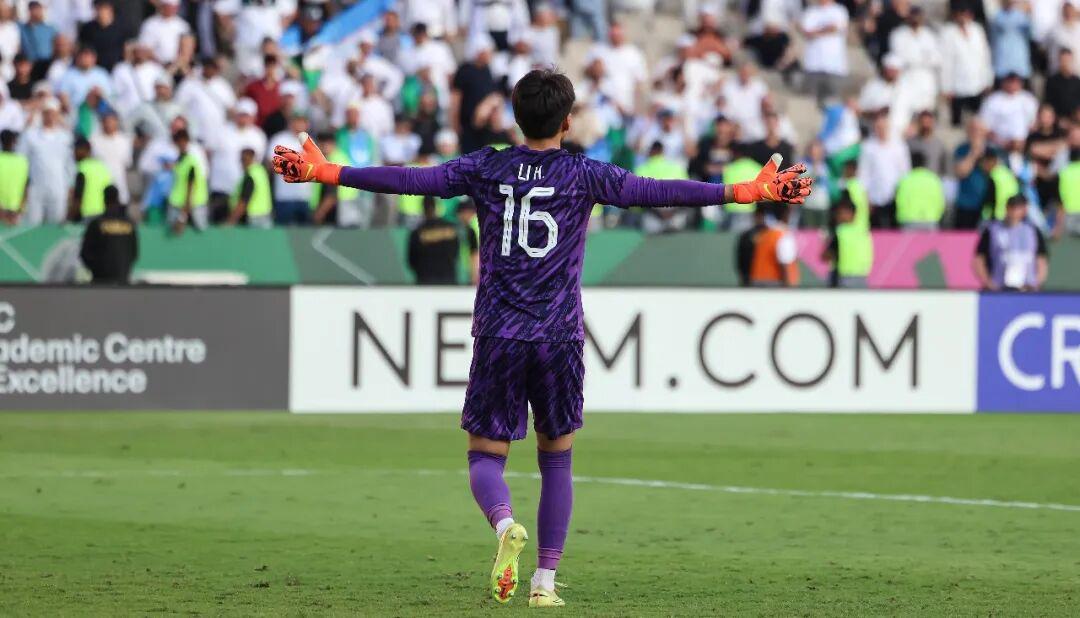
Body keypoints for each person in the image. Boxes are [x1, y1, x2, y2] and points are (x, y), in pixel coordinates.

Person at [270, 68, 811, 609]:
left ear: (515, 117)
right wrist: (745, 190)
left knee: (485, 456)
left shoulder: (486, 166)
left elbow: (412, 180)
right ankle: (544, 583)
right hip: (559, 335)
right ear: (567, 122)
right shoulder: (583, 173)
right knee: (557, 460)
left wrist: (327, 171)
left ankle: (505, 523)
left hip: (500, 331)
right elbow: (658, 191)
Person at [973, 194, 1048, 291]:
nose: (1014, 211)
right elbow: (979, 259)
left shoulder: (1032, 231)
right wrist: (989, 284)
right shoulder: (992, 230)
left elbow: (1041, 259)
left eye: (1018, 207)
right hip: (999, 287)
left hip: (1027, 288)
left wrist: (1036, 283)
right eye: (1012, 207)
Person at [80, 185, 137, 284]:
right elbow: (134, 253)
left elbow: (85, 253)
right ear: (118, 199)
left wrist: (97, 271)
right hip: (123, 281)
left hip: (100, 282)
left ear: (104, 200)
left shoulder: (96, 224)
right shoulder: (129, 224)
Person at [822, 193, 873, 287]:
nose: (837, 216)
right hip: (861, 276)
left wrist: (825, 243)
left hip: (844, 277)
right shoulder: (863, 231)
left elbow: (826, 256)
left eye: (840, 213)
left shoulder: (840, 232)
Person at [407, 195, 460, 284]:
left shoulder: (417, 232)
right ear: (436, 207)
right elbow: (456, 253)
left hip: (425, 280)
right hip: (448, 280)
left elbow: (411, 260)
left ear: (423, 208)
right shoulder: (450, 228)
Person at [168, 129, 209, 233]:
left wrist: (183, 215)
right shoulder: (179, 160)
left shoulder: (191, 161)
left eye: (183, 141)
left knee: (200, 232)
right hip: (177, 202)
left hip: (194, 203)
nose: (181, 144)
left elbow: (191, 186)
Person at [748, 202, 799, 287]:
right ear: (786, 214)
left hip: (759, 285)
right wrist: (789, 289)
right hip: (775, 287)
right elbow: (785, 266)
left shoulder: (765, 234)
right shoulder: (783, 236)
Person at [226, 148, 272, 228]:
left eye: (243, 159)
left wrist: (231, 221)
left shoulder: (250, 175)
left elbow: (244, 201)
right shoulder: (261, 171)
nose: (241, 163)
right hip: (265, 216)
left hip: (253, 218)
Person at [71, 137, 114, 222]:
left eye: (76, 150)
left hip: (86, 214)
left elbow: (78, 196)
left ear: (84, 150)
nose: (74, 153)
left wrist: (72, 216)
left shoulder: (82, 168)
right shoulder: (102, 166)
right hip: (103, 213)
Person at [735, 202, 769, 286]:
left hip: (766, 277)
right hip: (750, 277)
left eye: (761, 215)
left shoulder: (771, 234)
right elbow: (740, 258)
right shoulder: (746, 236)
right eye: (758, 215)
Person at [0, 129, 27, 224]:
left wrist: (21, 208)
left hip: (15, 211)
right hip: (7, 212)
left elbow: (26, 185)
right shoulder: (22, 161)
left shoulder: (22, 161)